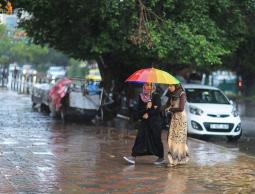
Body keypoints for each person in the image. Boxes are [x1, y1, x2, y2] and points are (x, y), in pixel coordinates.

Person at [123, 83, 164, 165]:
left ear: (152, 87)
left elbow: (158, 109)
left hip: (155, 123)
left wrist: (149, 113)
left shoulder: (156, 96)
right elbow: (138, 108)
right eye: (145, 86)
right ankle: (133, 156)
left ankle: (161, 157)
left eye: (148, 86)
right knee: (140, 137)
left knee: (156, 139)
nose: (145, 88)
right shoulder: (141, 97)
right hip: (145, 122)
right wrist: (144, 111)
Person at [163, 84, 189, 166]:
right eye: (168, 86)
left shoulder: (182, 94)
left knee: (178, 139)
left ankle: (174, 160)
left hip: (181, 119)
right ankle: (180, 158)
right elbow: (166, 105)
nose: (169, 87)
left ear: (176, 86)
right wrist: (156, 108)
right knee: (170, 138)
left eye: (171, 86)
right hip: (174, 118)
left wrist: (170, 109)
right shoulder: (172, 94)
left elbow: (181, 108)